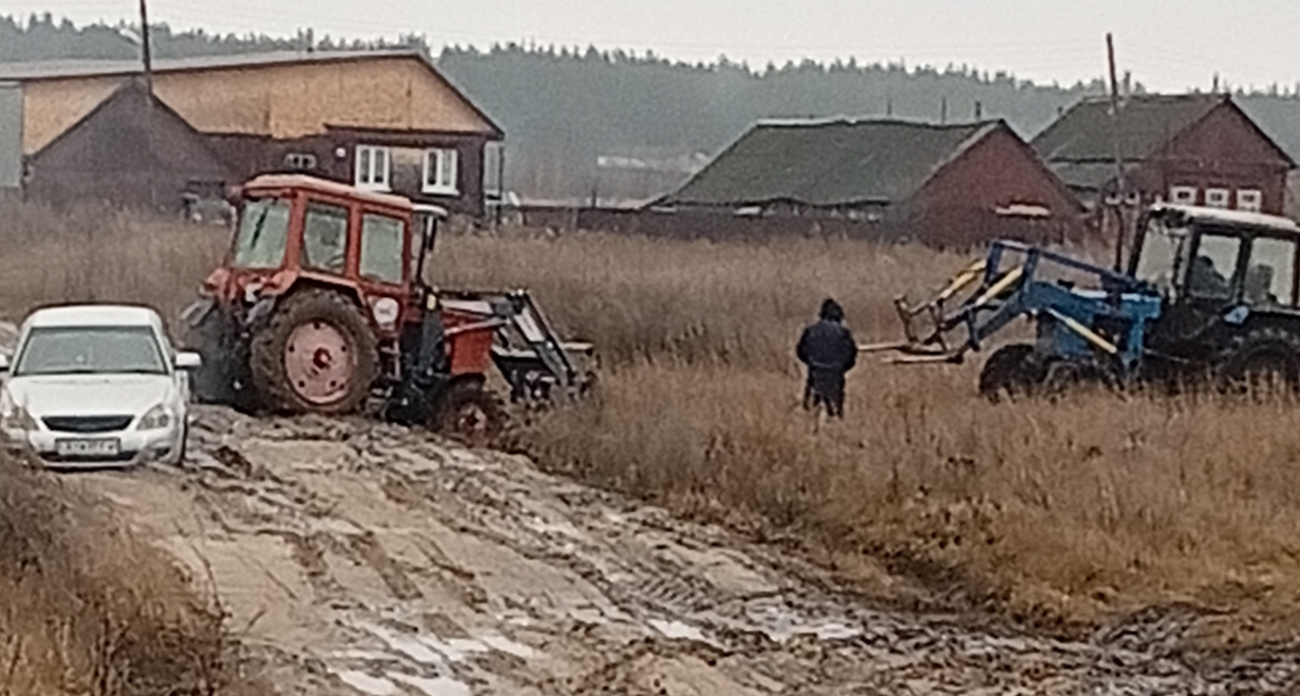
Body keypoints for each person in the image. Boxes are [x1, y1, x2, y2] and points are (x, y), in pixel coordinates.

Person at [796, 298, 858, 418]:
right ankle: (835, 428)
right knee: (835, 411)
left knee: (811, 409)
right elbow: (851, 355)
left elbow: (801, 352)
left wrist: (813, 363)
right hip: (836, 375)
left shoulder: (810, 331)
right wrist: (841, 368)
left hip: (815, 373)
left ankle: (812, 431)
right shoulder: (844, 333)